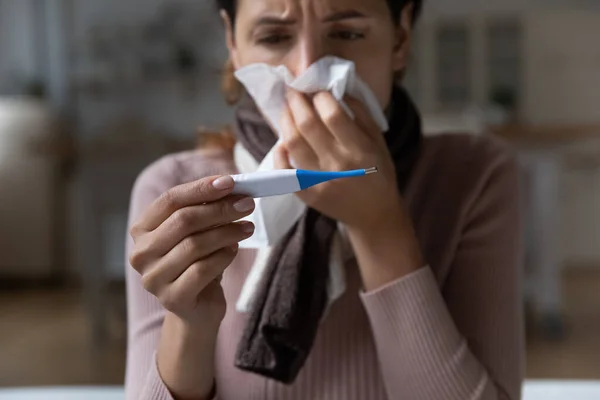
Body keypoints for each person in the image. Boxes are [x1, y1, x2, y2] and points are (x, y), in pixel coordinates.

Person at [125, 0, 524, 399]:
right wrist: (189, 323)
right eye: (274, 37)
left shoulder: (473, 178)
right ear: (233, 43)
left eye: (348, 33)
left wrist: (380, 226)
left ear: (399, 38)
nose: (307, 72)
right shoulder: (177, 194)